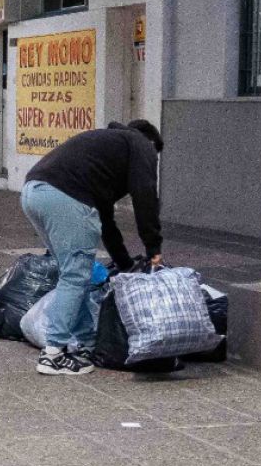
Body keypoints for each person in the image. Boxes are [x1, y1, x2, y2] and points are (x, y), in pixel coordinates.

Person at [19, 120, 165, 376]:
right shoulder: (141, 144)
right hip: (64, 196)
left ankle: (86, 344)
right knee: (76, 274)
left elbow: (106, 221)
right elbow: (145, 195)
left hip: (33, 192)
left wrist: (124, 264)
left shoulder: (105, 153)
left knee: (76, 272)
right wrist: (154, 247)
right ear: (151, 144)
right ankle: (53, 354)